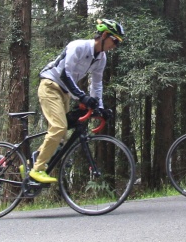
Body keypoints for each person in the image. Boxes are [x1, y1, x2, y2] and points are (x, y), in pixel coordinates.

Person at [28, 19, 124, 184]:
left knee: (62, 135)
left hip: (64, 93)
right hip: (50, 85)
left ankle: (32, 162)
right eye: (114, 40)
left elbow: (97, 84)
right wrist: (82, 97)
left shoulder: (101, 58)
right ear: (104, 35)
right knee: (59, 128)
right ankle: (37, 168)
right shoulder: (78, 46)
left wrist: (100, 108)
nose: (115, 45)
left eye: (118, 43)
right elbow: (66, 74)